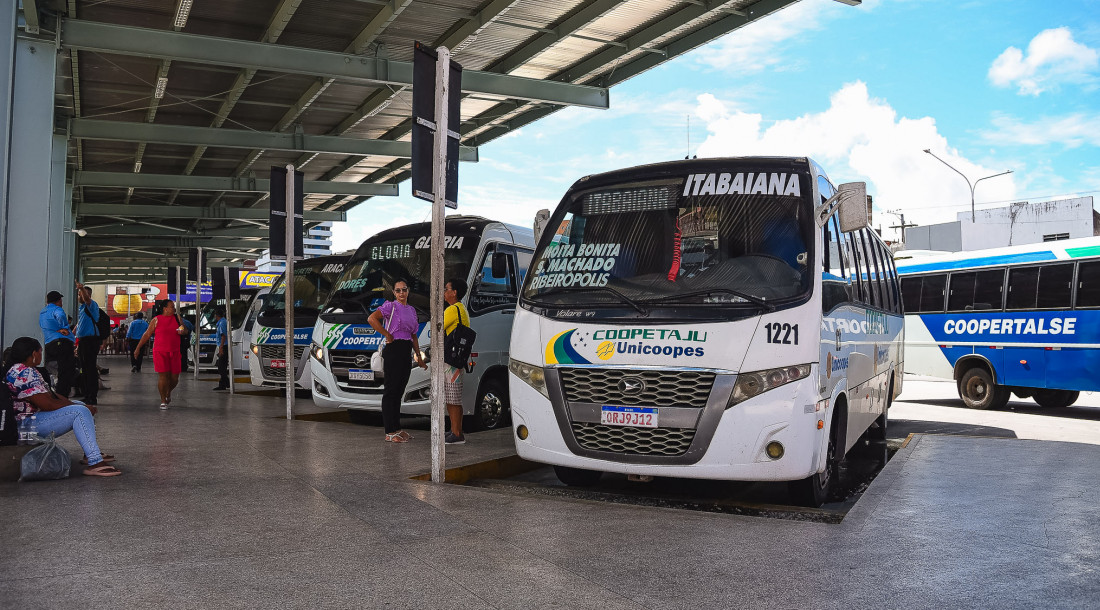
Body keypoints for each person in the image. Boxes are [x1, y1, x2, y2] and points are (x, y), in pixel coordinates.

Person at [3, 337, 121, 476]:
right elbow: (47, 404)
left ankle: (89, 452)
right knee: (80, 411)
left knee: (81, 406)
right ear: (34, 354)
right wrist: (80, 409)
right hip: (25, 425)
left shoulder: (25, 369)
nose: (42, 354)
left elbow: (52, 396)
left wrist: (77, 405)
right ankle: (95, 461)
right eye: (40, 351)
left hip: (30, 419)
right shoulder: (24, 373)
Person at [367, 279, 426, 443]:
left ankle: (397, 428)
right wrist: (387, 334)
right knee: (391, 390)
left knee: (399, 390)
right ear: (394, 292)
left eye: (404, 290)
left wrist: (419, 357)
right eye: (398, 290)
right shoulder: (390, 306)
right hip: (393, 349)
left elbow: (414, 335)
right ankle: (389, 431)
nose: (401, 293)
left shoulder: (412, 310)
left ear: (408, 291)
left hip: (406, 349)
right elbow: (372, 319)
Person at [133, 300, 186, 409]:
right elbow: (147, 334)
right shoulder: (156, 320)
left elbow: (185, 329)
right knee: (163, 376)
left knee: (174, 378)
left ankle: (168, 391)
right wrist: (138, 348)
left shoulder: (177, 318)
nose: (174, 309)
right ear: (164, 308)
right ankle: (163, 400)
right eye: (172, 307)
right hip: (160, 351)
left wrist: (183, 330)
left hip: (175, 351)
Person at [443, 278, 470, 445]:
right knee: (454, 397)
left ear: (454, 293)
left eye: (447, 288)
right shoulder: (462, 308)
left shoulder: (452, 309)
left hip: (451, 361)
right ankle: (455, 430)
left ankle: (457, 433)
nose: (445, 292)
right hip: (458, 359)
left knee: (452, 398)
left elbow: (438, 327)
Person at [38, 290, 77, 397]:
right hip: (62, 343)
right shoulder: (57, 309)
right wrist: (64, 327)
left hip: (49, 344)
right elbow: (60, 315)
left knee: (55, 370)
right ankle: (62, 396)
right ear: (59, 300)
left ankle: (56, 393)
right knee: (66, 371)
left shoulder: (43, 312)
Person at [74, 282, 102, 407]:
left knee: (90, 369)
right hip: (84, 341)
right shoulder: (82, 309)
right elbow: (79, 326)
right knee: (84, 369)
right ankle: (87, 394)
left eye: (79, 294)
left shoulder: (91, 305)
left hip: (90, 341)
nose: (78, 297)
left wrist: (81, 289)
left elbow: (87, 299)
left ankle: (92, 396)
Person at [212, 307, 229, 391]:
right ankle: (224, 384)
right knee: (222, 367)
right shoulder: (222, 322)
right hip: (223, 346)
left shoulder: (222, 323)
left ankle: (226, 383)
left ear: (216, 315)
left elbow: (223, 336)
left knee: (221, 367)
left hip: (224, 346)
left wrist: (221, 348)